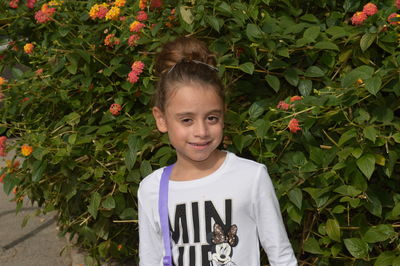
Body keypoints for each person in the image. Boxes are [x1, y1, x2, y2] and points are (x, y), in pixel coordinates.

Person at [138, 36, 297, 266]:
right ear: (161, 119)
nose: (201, 131)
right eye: (186, 120)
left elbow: (282, 257)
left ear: (224, 114)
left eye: (212, 118)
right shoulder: (151, 189)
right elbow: (150, 261)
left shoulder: (251, 177)